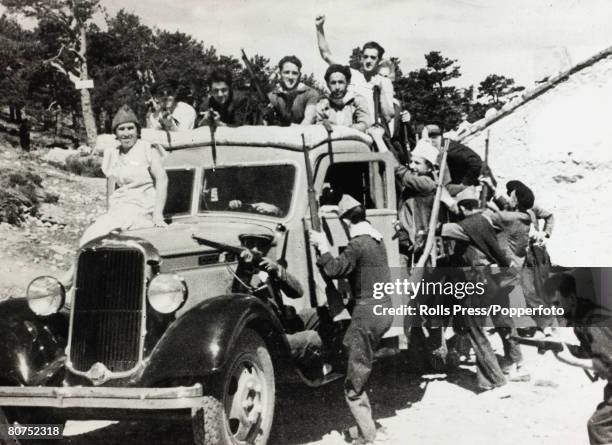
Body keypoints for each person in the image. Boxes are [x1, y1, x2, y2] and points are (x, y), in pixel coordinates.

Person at [309, 195, 393, 445]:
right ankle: (364, 428)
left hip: (365, 316)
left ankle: (367, 436)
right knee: (359, 363)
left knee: (353, 384)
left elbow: (335, 269)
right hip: (383, 312)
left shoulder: (357, 244)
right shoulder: (376, 239)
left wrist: (322, 246)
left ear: (346, 222)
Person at [80, 105, 168, 247]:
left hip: (142, 210)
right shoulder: (112, 153)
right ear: (115, 133)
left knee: (94, 235)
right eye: (121, 129)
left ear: (137, 130)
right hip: (119, 211)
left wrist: (158, 215)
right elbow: (110, 187)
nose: (126, 133)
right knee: (95, 236)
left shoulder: (147, 148)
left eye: (130, 128)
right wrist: (109, 212)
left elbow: (162, 179)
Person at [315, 14, 394, 124]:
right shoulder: (352, 75)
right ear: (361, 58)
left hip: (373, 132)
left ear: (379, 61)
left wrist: (383, 90)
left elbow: (389, 115)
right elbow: (326, 55)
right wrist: (319, 28)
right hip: (354, 131)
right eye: (365, 57)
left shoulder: (383, 82)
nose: (368, 60)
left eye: (373, 57)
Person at [316, 64, 372, 132]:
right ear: (327, 84)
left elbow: (365, 124)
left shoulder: (357, 100)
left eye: (341, 82)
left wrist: (343, 129)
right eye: (333, 83)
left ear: (348, 82)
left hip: (354, 140)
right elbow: (316, 125)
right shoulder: (323, 104)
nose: (337, 87)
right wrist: (323, 124)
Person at [267, 55, 319, 126]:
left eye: (294, 73)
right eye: (286, 72)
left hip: (303, 133)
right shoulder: (272, 96)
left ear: (299, 75)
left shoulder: (310, 93)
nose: (290, 77)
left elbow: (309, 120)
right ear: (280, 74)